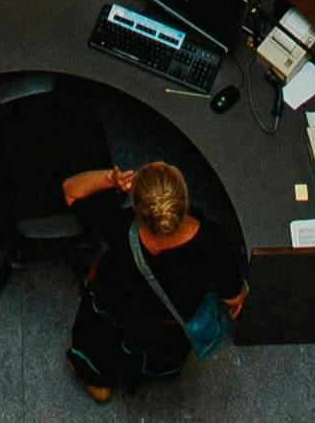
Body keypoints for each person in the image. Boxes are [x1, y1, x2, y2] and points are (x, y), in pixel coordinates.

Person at [58, 158, 247, 402]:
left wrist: (111, 178)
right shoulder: (212, 240)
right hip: (165, 326)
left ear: (138, 208)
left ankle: (97, 381)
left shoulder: (120, 226)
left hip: (117, 309)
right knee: (154, 347)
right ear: (185, 201)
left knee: (101, 341)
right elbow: (234, 297)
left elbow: (70, 190)